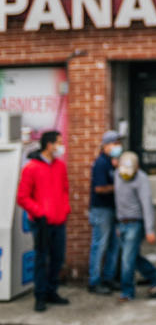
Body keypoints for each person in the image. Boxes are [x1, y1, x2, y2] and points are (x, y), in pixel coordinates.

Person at [16, 130, 70, 312]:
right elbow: (22, 197)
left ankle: (51, 291)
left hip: (59, 220)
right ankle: (40, 296)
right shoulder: (31, 168)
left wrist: (65, 210)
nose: (61, 147)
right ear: (49, 145)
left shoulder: (60, 166)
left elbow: (64, 190)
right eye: (59, 143)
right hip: (41, 222)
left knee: (58, 258)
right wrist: (40, 212)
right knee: (41, 259)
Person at [114, 151, 156, 301]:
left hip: (134, 223)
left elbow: (146, 205)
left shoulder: (141, 179)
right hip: (122, 222)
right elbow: (117, 200)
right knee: (132, 258)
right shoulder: (117, 175)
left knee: (126, 259)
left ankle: (127, 292)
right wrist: (117, 223)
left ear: (137, 167)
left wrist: (149, 229)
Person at [88, 129, 123, 294]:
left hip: (112, 208)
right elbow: (99, 188)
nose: (118, 146)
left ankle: (109, 278)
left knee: (113, 245)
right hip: (101, 210)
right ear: (106, 145)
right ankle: (94, 281)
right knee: (100, 245)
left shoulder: (112, 162)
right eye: (115, 143)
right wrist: (118, 187)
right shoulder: (101, 163)